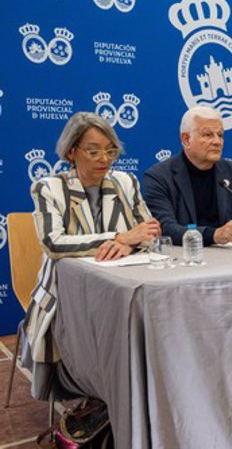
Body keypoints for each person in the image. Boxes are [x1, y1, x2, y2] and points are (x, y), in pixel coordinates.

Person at [24, 112, 161, 398]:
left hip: (118, 289)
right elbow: (53, 243)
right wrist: (119, 237)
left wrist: (129, 244)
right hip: (67, 297)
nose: (104, 159)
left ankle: (130, 397)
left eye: (110, 151)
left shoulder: (126, 182)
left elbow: (149, 230)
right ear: (72, 152)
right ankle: (105, 398)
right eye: (94, 151)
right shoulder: (49, 188)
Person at [143, 106, 232, 245]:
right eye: (208, 135)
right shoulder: (158, 177)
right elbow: (166, 228)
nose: (217, 141)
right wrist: (214, 235)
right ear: (186, 139)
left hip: (229, 257)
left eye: (220, 135)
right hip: (185, 259)